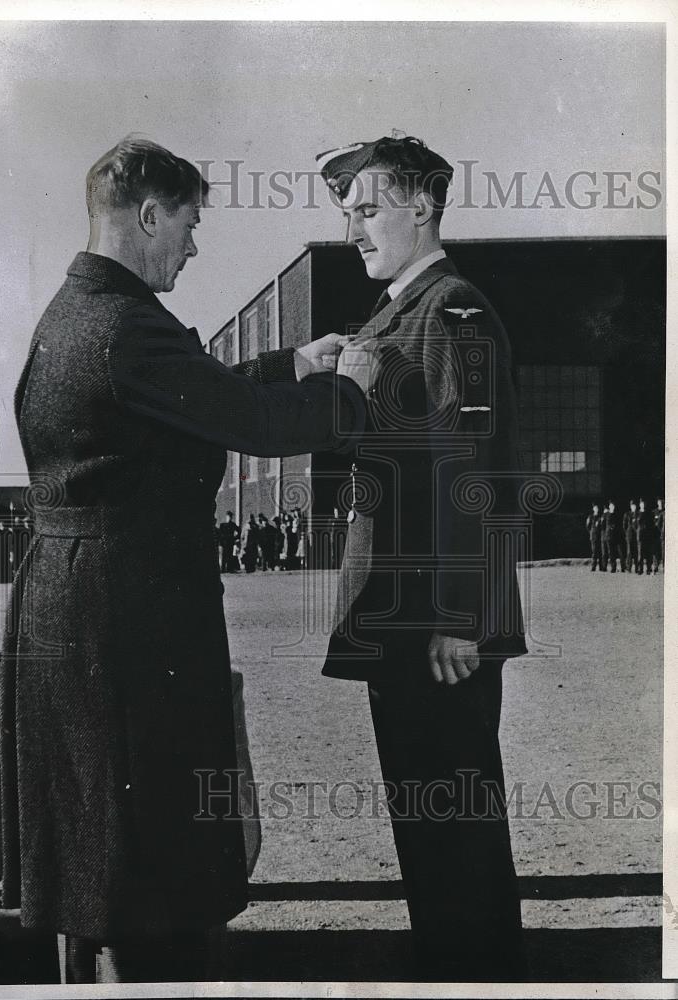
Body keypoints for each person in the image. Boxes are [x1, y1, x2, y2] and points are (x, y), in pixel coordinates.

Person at [0, 136, 364, 984]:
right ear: (149, 215)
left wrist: (284, 362)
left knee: (96, 852)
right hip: (129, 621)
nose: (194, 246)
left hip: (75, 604)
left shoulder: (77, 313)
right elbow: (255, 425)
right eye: (189, 226)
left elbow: (179, 392)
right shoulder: (127, 326)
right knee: (146, 865)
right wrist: (347, 389)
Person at [318, 134, 527, 980]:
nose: (354, 230)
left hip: (435, 632)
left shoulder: (451, 310)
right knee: (431, 830)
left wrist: (459, 620)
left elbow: (473, 472)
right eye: (347, 215)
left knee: (455, 836)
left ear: (422, 206)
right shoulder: (399, 310)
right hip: (401, 625)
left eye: (367, 210)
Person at [602, 500, 625, 572]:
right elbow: (603, 525)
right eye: (611, 506)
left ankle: (623, 567)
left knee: (621, 552)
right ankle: (613, 567)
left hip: (617, 536)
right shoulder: (606, 515)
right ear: (609, 506)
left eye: (613, 506)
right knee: (611, 553)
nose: (612, 507)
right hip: (609, 536)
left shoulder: (618, 514)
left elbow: (621, 524)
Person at [636, 498, 654, 575]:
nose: (642, 505)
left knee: (648, 553)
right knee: (640, 554)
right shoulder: (637, 513)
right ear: (640, 505)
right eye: (641, 504)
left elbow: (651, 524)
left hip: (647, 536)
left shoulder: (649, 513)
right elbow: (635, 524)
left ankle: (648, 569)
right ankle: (640, 569)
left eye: (643, 504)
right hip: (640, 536)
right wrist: (637, 531)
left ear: (645, 505)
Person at [585, 503, 604, 572]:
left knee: (601, 552)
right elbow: (587, 526)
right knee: (594, 552)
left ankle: (601, 567)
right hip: (593, 536)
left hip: (600, 536)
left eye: (597, 508)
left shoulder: (601, 516)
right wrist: (592, 532)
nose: (596, 509)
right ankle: (593, 566)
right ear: (593, 509)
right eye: (595, 508)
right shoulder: (590, 516)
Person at [623, 499, 638, 573]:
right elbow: (624, 525)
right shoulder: (627, 514)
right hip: (629, 535)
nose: (633, 507)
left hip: (636, 535)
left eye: (634, 506)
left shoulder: (638, 514)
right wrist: (627, 532)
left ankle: (637, 568)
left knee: (636, 552)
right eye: (632, 506)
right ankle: (629, 567)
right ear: (630, 506)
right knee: (629, 552)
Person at [653, 498, 665, 572]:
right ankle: (656, 566)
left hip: (663, 534)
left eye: (662, 503)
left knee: (663, 551)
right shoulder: (654, 512)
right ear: (657, 503)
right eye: (659, 502)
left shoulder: (665, 512)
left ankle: (664, 566)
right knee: (656, 551)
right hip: (656, 535)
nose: (660, 504)